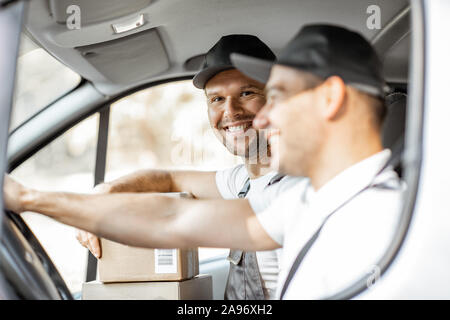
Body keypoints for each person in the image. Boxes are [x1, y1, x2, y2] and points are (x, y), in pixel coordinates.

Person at [3, 24, 405, 299]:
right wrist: (30, 198)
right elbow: (171, 219)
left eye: (276, 95)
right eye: (216, 99)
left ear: (330, 99)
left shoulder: (386, 225)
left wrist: (33, 198)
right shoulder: (312, 201)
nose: (262, 117)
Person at [76, 34, 301, 300]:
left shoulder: (297, 190)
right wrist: (104, 192)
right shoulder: (243, 181)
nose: (230, 111)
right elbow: (169, 178)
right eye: (216, 99)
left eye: (247, 92)